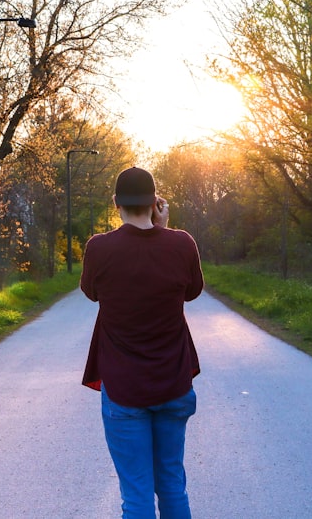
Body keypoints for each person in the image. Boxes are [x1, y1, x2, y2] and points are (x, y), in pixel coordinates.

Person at [81, 166, 204, 519]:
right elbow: (192, 292)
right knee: (171, 485)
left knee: (136, 494)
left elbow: (91, 292)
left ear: (115, 202)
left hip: (124, 391)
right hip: (174, 385)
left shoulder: (99, 248)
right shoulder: (182, 243)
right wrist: (163, 231)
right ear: (155, 202)